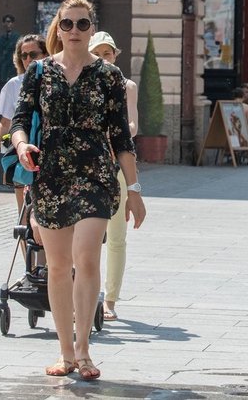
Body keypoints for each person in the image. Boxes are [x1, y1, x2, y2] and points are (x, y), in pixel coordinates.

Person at [10, 0, 145, 381]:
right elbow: (19, 120)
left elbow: (121, 136)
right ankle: (65, 352)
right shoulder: (38, 72)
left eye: (82, 24)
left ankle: (85, 351)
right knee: (57, 266)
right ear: (58, 28)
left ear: (91, 28)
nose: (74, 31)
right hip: (50, 175)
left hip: (96, 175)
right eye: (67, 24)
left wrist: (133, 189)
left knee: (86, 259)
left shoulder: (108, 76)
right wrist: (21, 145)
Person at [88, 31, 139, 323]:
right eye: (98, 53)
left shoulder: (126, 85)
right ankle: (85, 295)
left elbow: (132, 125)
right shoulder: (83, 83)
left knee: (117, 235)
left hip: (116, 164)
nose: (103, 58)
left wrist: (113, 131)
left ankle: (110, 299)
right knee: (87, 238)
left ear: (115, 56)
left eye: (108, 53)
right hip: (90, 165)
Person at [0, 34, 48, 212]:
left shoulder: (54, 80)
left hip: (46, 147)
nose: (28, 59)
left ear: (45, 54)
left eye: (33, 54)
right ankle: (23, 237)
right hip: (20, 148)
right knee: (23, 206)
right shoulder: (13, 85)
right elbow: (5, 122)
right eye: (23, 55)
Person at [0, 14, 19, 133]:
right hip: (2, 71)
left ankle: (13, 124)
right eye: (6, 22)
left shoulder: (17, 38)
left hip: (12, 71)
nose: (8, 24)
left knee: (13, 98)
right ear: (3, 23)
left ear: (13, 23)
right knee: (0, 99)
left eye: (10, 22)